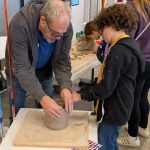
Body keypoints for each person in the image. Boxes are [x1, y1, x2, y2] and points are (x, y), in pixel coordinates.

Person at [72, 4, 145, 150]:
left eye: (102, 29)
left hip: (115, 111)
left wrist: (80, 95)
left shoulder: (118, 51)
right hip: (122, 105)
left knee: (105, 142)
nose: (101, 34)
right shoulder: (129, 44)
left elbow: (106, 88)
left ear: (112, 25)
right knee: (110, 141)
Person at [5, 0, 73, 124]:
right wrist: (41, 97)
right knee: (18, 114)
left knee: (47, 111)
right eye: (55, 34)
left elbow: (62, 61)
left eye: (62, 35)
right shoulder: (21, 24)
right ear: (43, 21)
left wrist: (65, 86)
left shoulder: (64, 28)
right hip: (19, 74)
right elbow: (22, 68)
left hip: (44, 72)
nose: (59, 38)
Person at [117, 0, 150, 147]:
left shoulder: (131, 7)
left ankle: (132, 137)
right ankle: (142, 128)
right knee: (143, 96)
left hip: (138, 61)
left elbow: (126, 37)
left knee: (133, 99)